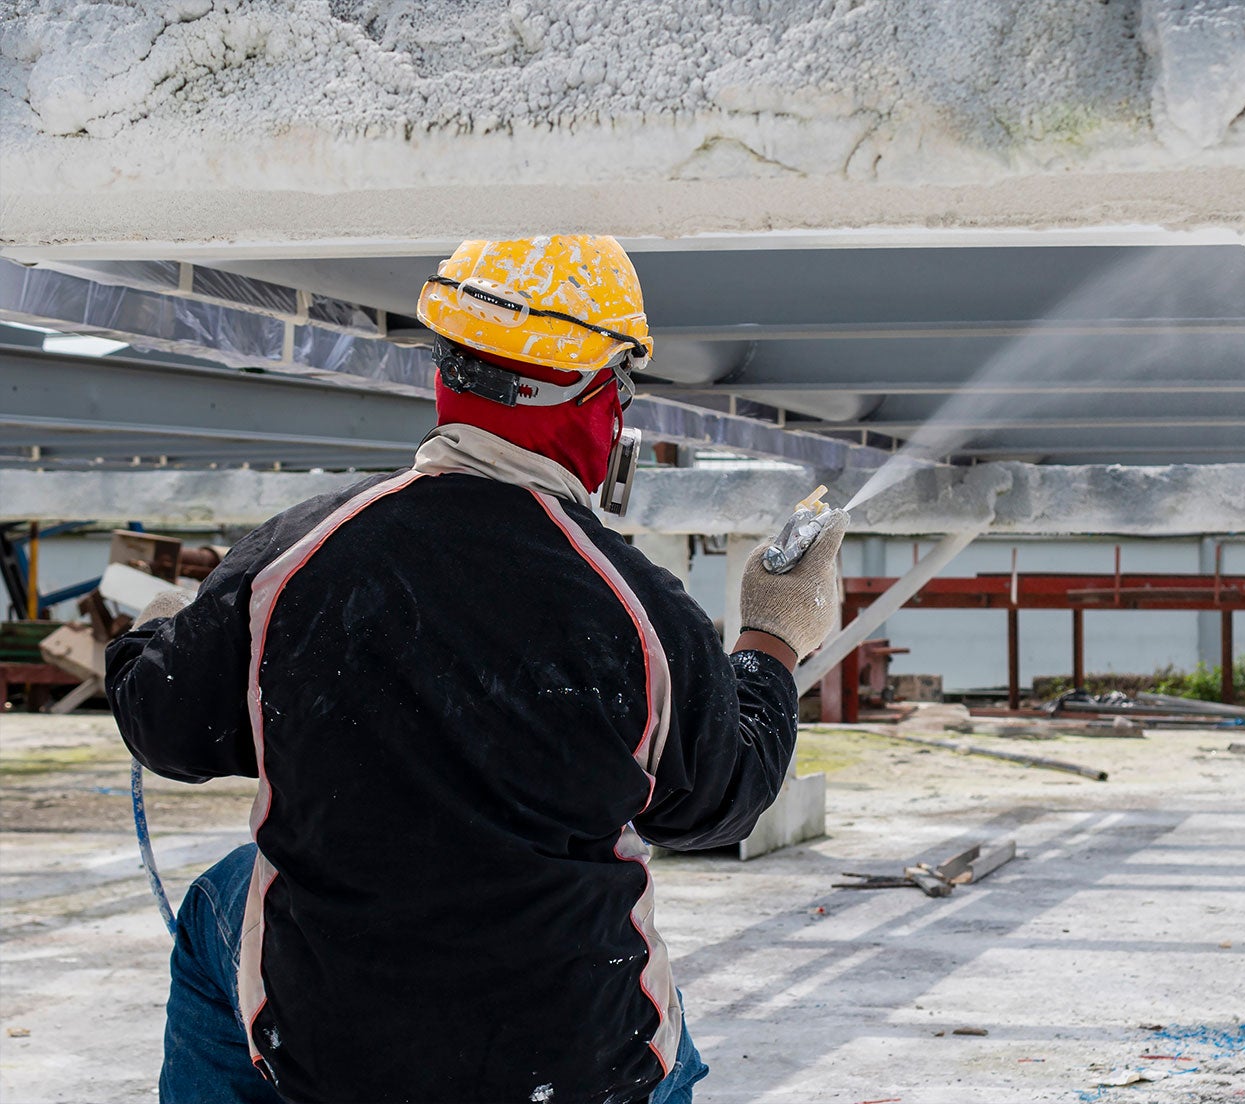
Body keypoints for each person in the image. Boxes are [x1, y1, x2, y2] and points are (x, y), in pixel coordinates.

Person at [106, 236, 847, 1104]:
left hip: (341, 1059)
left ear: (447, 371)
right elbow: (722, 802)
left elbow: (167, 727)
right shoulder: (638, 608)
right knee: (648, 1018)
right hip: (575, 1070)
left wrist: (160, 635)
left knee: (219, 905)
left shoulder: (296, 558)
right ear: (599, 398)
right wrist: (773, 632)